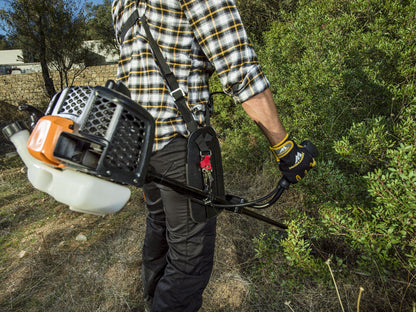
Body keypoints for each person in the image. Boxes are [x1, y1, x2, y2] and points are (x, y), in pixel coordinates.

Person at [111, 1, 316, 311]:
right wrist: (285, 148)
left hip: (141, 143)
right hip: (178, 141)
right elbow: (239, 69)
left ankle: (153, 302)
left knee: (160, 228)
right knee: (188, 263)